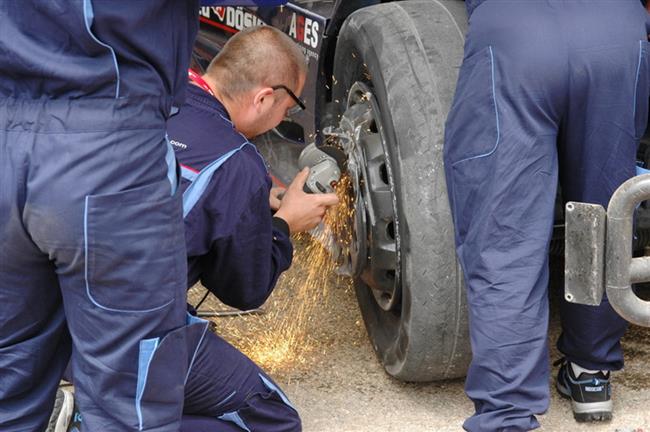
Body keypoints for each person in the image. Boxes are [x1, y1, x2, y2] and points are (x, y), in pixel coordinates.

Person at [48, 25, 338, 432]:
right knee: (275, 420)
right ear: (263, 97)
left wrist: (250, 207)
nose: (283, 120)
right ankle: (89, 422)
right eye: (288, 109)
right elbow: (244, 288)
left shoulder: (145, 96)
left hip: (40, 312)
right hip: (118, 334)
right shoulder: (236, 161)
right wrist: (284, 224)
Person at [443, 0, 649, 430]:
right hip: (616, 32)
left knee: (505, 237)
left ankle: (507, 412)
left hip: (516, 37)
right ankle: (591, 373)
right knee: (605, 211)